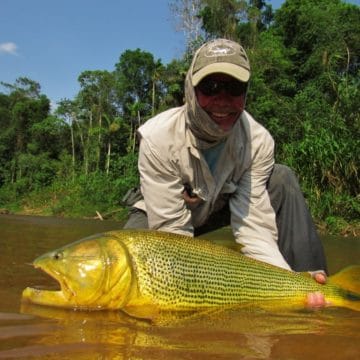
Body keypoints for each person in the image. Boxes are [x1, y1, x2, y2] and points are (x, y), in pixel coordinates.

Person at [124, 38, 328, 306]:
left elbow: (255, 227)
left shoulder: (259, 141)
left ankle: (314, 286)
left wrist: (286, 283)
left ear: (245, 93)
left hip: (219, 204)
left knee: (282, 178)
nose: (222, 101)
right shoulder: (157, 138)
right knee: (129, 269)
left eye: (234, 88)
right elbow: (171, 237)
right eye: (210, 87)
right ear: (190, 89)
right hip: (161, 217)